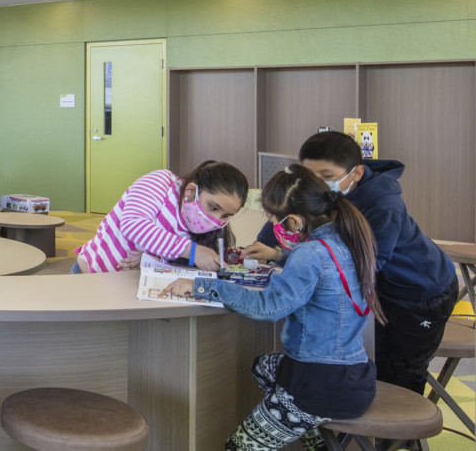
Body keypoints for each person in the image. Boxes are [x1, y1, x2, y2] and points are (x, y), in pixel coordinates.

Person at [164, 165, 383, 451]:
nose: (273, 228)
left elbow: (270, 308)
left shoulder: (310, 254)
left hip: (319, 386)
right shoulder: (347, 240)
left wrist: (204, 287)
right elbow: (324, 275)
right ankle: (315, 441)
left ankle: (300, 419)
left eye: (273, 221)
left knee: (238, 447)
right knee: (263, 367)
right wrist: (281, 256)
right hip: (354, 374)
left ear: (293, 221)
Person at [244, 131, 458, 396]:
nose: (317, 185)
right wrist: (267, 250)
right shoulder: (321, 192)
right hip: (378, 291)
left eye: (326, 177)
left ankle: (397, 437)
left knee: (398, 374)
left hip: (420, 293)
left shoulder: (383, 205)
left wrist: (292, 261)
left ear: (355, 173)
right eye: (310, 177)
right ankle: (355, 433)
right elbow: (281, 221)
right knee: (369, 361)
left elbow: (362, 266)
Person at [74, 160, 247, 274]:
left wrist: (152, 261)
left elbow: (172, 260)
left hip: (125, 292)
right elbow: (133, 225)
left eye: (225, 215)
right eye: (213, 207)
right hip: (90, 275)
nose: (215, 219)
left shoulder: (205, 231)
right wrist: (193, 251)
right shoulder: (162, 182)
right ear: (191, 191)